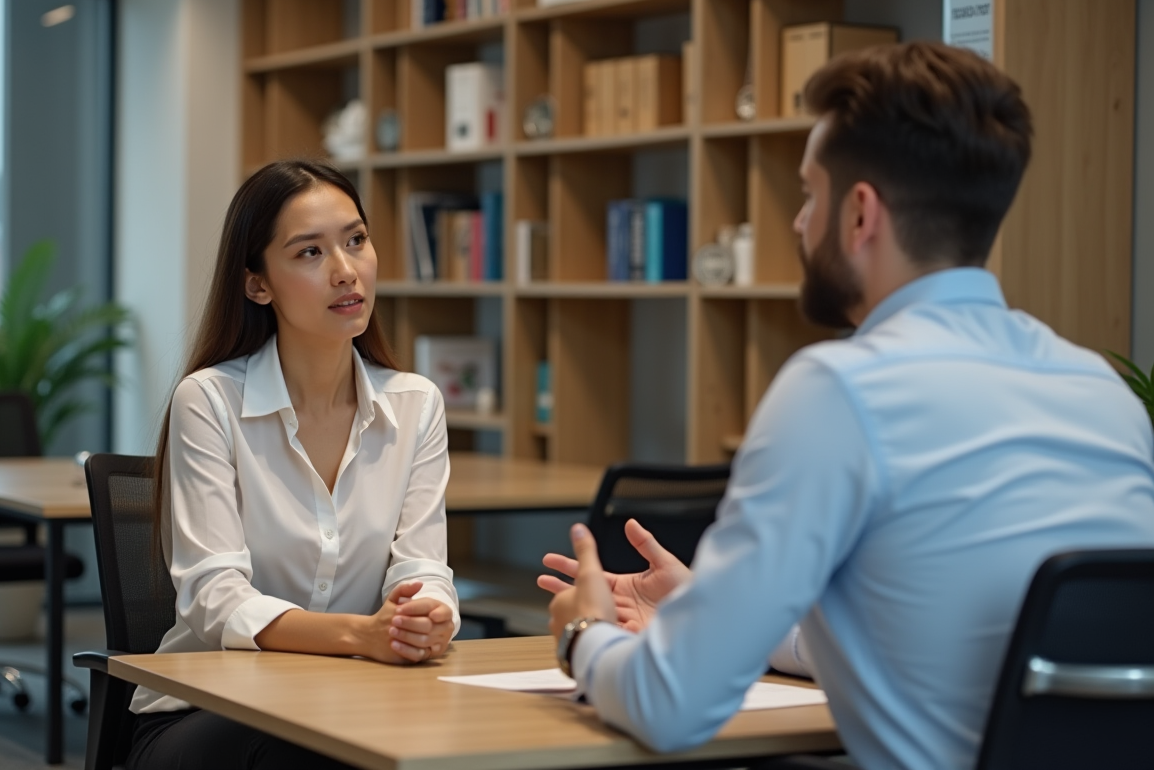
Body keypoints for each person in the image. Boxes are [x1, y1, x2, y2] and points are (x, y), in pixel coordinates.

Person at [540, 41, 1154, 770]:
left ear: (860, 213)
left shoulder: (838, 390)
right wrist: (712, 606)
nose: (799, 223)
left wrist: (584, 637)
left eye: (808, 194)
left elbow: (672, 707)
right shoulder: (1103, 393)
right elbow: (936, 644)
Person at [127, 160, 460, 770]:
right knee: (308, 754)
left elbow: (421, 565)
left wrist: (427, 614)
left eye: (356, 241)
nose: (345, 271)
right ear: (258, 284)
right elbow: (216, 598)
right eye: (309, 253)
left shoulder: (416, 405)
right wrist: (360, 636)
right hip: (210, 713)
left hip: (356, 699)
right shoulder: (210, 400)